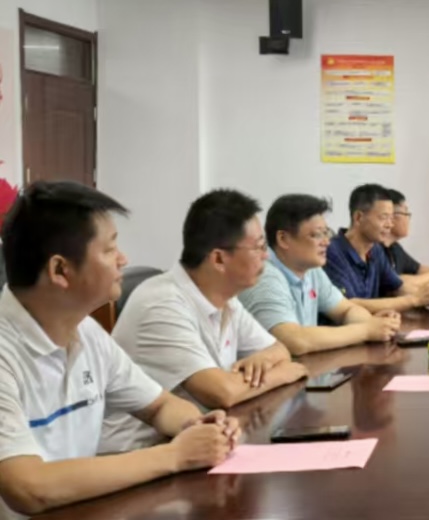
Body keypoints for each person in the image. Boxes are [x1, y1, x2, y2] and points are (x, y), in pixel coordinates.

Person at [0, 182, 239, 520]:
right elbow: (28, 487)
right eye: (110, 249)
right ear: (60, 270)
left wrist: (198, 427)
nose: (123, 259)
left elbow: (159, 406)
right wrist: (174, 456)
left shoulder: (87, 333)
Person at [101, 189, 307, 453]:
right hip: (135, 454)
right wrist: (283, 374)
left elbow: (279, 350)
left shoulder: (226, 299)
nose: (265, 256)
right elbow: (221, 393)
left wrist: (264, 362)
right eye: (258, 247)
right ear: (218, 258)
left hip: (190, 440)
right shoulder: (162, 303)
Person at [240, 194, 402, 354]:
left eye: (326, 233)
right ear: (283, 239)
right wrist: (366, 330)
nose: (326, 242)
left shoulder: (312, 270)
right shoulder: (263, 276)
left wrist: (375, 324)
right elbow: (294, 341)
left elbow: (346, 310)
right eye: (317, 234)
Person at [324, 184, 429, 313]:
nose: (390, 225)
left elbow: (398, 288)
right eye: (383, 217)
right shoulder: (331, 251)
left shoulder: (376, 250)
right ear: (358, 218)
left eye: (391, 218)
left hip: (372, 324)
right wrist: (415, 299)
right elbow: (347, 305)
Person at [380, 189, 429, 287]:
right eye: (406, 213)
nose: (408, 218)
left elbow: (418, 269)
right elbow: (398, 284)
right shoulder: (375, 250)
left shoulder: (395, 248)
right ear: (392, 216)